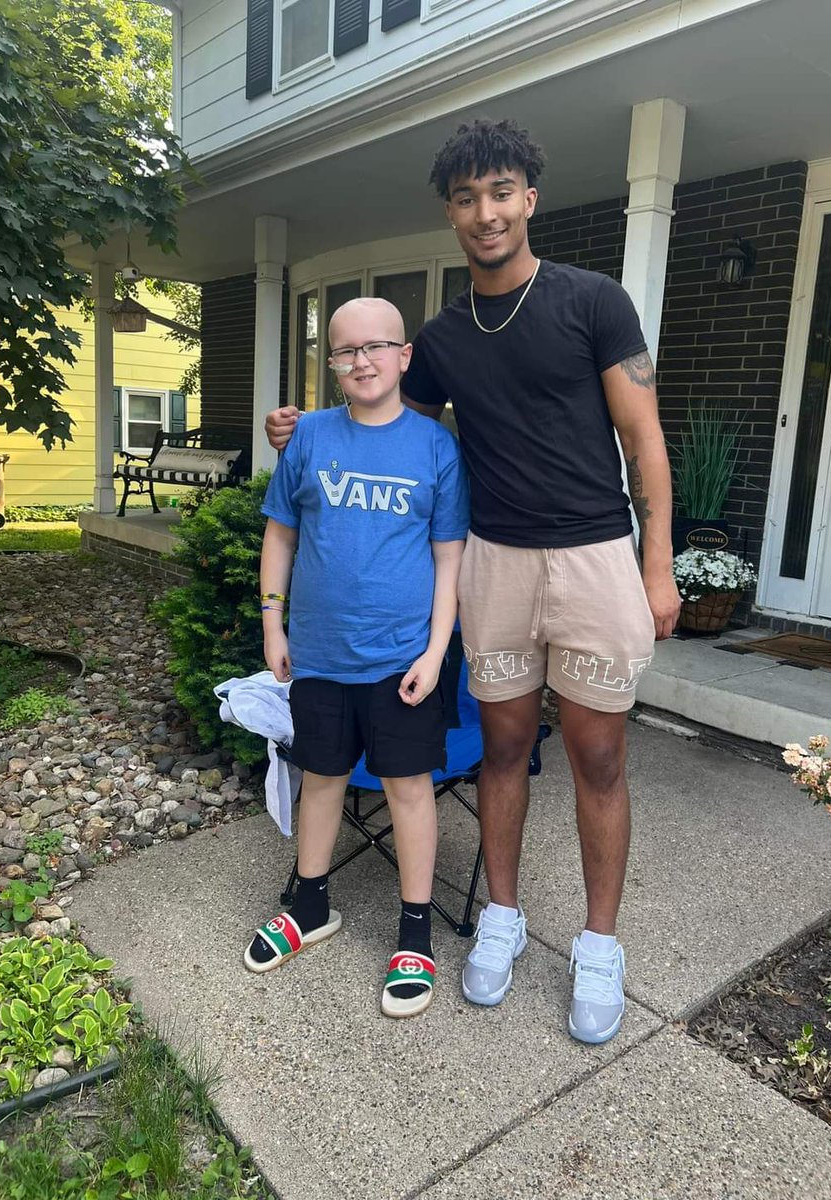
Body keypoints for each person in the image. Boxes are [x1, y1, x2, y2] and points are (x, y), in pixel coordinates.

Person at [266, 120, 680, 1044]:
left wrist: (657, 562)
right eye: (466, 198)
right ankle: (501, 916)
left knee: (598, 757)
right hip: (492, 559)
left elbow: (643, 438)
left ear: (529, 197)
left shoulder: (593, 302)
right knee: (500, 749)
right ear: (451, 213)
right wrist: (305, 433)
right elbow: (382, 421)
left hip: (593, 555)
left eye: (501, 192)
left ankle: (599, 945)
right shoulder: (444, 338)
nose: (485, 213)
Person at [246, 297, 468, 1020]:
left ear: (405, 357)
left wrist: (437, 652)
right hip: (318, 656)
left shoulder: (435, 449)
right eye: (346, 351)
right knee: (321, 779)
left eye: (377, 346)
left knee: (407, 789)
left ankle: (414, 933)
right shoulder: (308, 439)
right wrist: (273, 629)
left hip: (402, 658)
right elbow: (280, 536)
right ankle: (310, 906)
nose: (362, 360)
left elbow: (448, 558)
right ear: (332, 364)